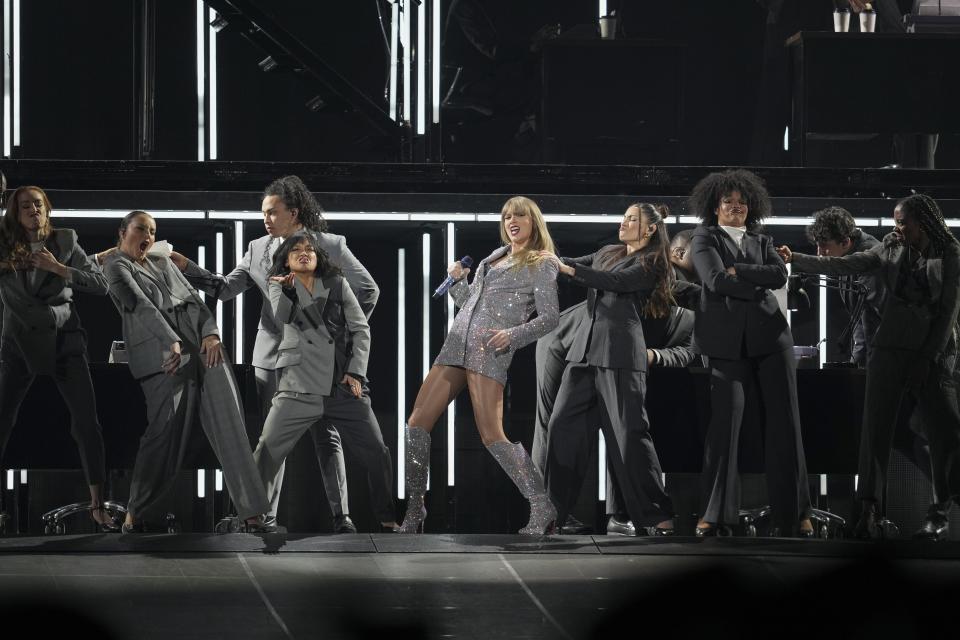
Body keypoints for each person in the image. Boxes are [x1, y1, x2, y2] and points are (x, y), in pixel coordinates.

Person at [171, 175, 380, 533]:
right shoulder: (256, 249)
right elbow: (224, 289)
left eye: (272, 212)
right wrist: (188, 267)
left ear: (294, 212)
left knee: (326, 435)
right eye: (263, 213)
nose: (265, 219)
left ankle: (341, 516)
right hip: (270, 357)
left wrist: (334, 338)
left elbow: (368, 291)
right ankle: (260, 516)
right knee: (270, 440)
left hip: (318, 362)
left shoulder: (329, 245)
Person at [778, 194, 960, 540]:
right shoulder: (889, 247)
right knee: (874, 434)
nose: (897, 228)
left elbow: (948, 311)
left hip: (932, 352)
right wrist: (797, 259)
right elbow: (847, 264)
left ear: (923, 221)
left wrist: (927, 358)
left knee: (945, 435)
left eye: (903, 221)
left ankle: (939, 514)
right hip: (889, 349)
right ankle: (868, 511)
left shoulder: (949, 252)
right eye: (896, 221)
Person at [397, 196, 560, 535]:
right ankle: (415, 509)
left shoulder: (541, 263)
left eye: (519, 215)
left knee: (492, 436)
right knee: (416, 423)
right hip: (455, 345)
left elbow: (550, 318)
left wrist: (512, 336)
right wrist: (459, 283)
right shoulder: (494, 257)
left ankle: (542, 505)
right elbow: (471, 305)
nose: (511, 221)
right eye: (506, 216)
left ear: (533, 221)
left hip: (489, 350)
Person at [531, 212, 700, 536]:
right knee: (554, 426)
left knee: (624, 430)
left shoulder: (671, 283)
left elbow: (689, 340)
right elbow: (616, 279)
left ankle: (629, 514)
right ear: (676, 253)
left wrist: (656, 355)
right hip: (565, 345)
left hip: (614, 354)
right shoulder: (647, 266)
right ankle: (548, 511)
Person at [104, 211, 271, 533]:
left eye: (152, 231)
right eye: (141, 229)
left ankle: (252, 513)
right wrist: (172, 341)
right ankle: (138, 513)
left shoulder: (162, 261)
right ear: (123, 231)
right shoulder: (115, 265)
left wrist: (211, 334)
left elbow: (194, 300)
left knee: (231, 426)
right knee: (163, 435)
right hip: (162, 354)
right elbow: (141, 306)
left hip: (202, 348)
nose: (148, 236)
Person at [689, 169, 813, 537]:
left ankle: (794, 513)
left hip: (773, 341)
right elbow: (714, 281)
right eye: (728, 202)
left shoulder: (763, 239)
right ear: (716, 206)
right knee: (724, 428)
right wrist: (754, 282)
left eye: (741, 203)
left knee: (786, 426)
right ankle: (714, 514)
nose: (735, 208)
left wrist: (740, 270)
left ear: (750, 207)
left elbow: (779, 276)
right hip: (726, 347)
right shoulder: (703, 238)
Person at [252, 232, 397, 531]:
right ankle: (253, 515)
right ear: (287, 260)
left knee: (377, 450)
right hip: (297, 386)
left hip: (341, 386)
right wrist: (292, 292)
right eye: (296, 250)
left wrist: (356, 371)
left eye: (310, 249)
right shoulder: (278, 285)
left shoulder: (337, 283)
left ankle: (387, 518)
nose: (304, 253)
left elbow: (361, 330)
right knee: (267, 448)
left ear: (318, 258)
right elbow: (285, 318)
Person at [0, 185, 117, 531]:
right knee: (1, 421)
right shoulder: (4, 243)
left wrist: (59, 269)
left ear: (47, 209)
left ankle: (98, 505)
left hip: (65, 341)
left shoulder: (65, 242)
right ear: (15, 214)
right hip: (18, 342)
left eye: (38, 204)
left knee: (86, 424)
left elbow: (100, 285)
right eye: (25, 206)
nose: (33, 210)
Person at [804, 206, 934, 490]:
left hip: (898, 361)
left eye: (824, 246)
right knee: (904, 437)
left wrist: (868, 370)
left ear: (846, 242)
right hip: (885, 360)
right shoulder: (857, 253)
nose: (819, 252)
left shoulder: (873, 262)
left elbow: (882, 320)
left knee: (911, 437)